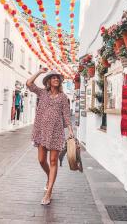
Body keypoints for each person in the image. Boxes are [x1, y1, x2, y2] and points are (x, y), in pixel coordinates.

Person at [26, 69, 74, 205]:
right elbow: (29, 83)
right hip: (41, 131)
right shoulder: (42, 93)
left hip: (56, 132)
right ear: (48, 81)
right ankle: (49, 176)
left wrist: (70, 130)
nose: (56, 79)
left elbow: (66, 114)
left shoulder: (63, 97)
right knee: (41, 160)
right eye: (53, 78)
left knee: (53, 161)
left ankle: (49, 192)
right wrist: (39, 72)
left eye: (57, 78)